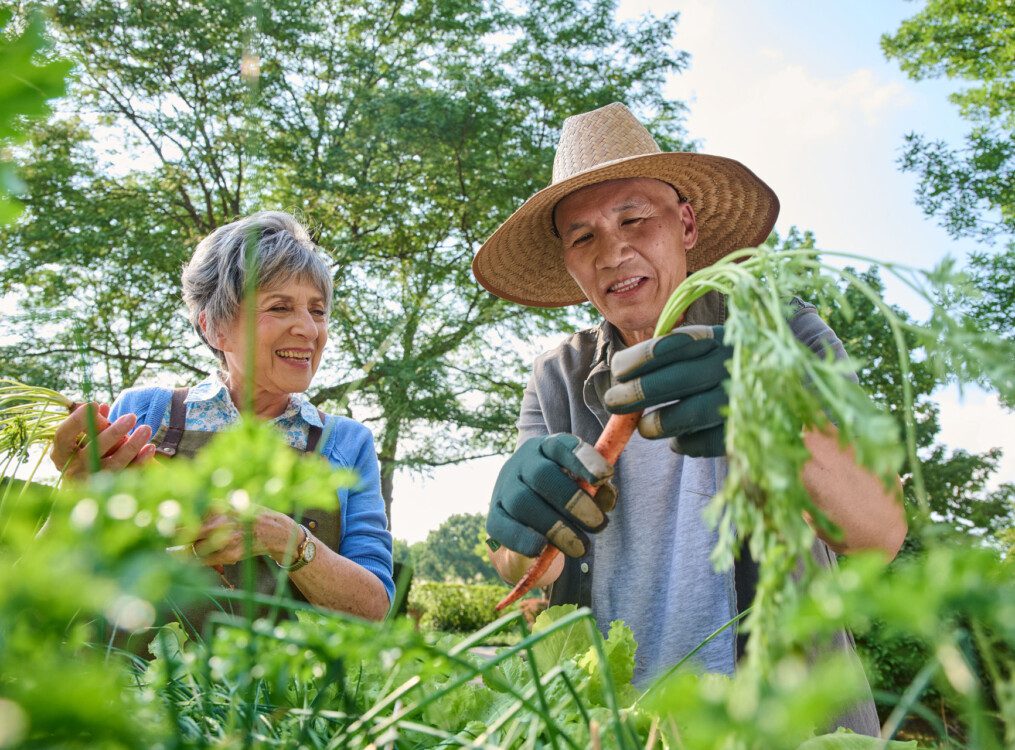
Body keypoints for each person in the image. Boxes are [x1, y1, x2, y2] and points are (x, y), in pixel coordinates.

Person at [472, 103, 906, 735]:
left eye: (634, 219)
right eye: (583, 236)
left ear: (687, 226)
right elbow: (529, 568)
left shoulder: (785, 332)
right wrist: (515, 524)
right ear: (570, 264)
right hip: (612, 724)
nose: (613, 250)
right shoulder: (556, 378)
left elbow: (879, 533)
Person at [49, 211, 393, 623]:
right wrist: (74, 495)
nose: (308, 329)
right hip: (135, 682)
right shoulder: (141, 414)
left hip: (284, 687)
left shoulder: (347, 442)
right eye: (280, 307)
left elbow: (374, 609)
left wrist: (286, 538)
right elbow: (58, 575)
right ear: (213, 328)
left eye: (318, 311)